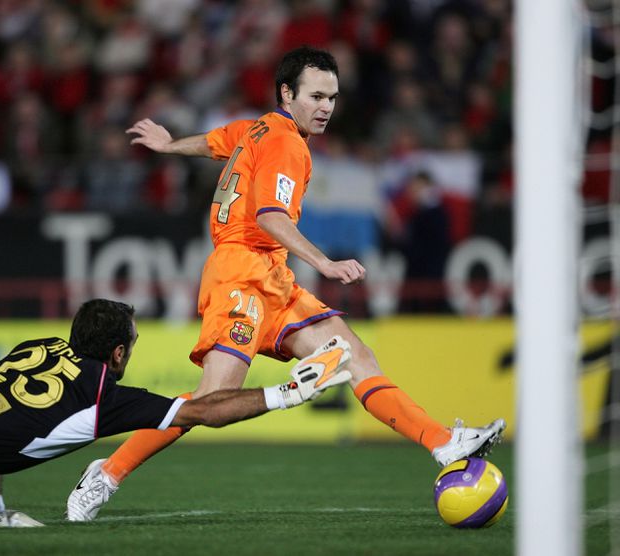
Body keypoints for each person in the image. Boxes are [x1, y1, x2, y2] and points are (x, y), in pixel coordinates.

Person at [65, 46, 506, 522]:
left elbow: (215, 141)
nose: (325, 108)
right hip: (240, 272)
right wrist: (326, 262)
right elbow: (270, 216)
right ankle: (107, 472)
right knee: (210, 402)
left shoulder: (257, 127)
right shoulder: (286, 144)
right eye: (316, 96)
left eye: (333, 98)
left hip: (269, 274)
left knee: (355, 357)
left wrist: (171, 145)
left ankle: (443, 443)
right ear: (287, 92)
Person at [0, 298, 353, 528]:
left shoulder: (39, 345)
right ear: (118, 353)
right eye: (133, 344)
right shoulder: (103, 396)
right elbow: (204, 411)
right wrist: (287, 393)